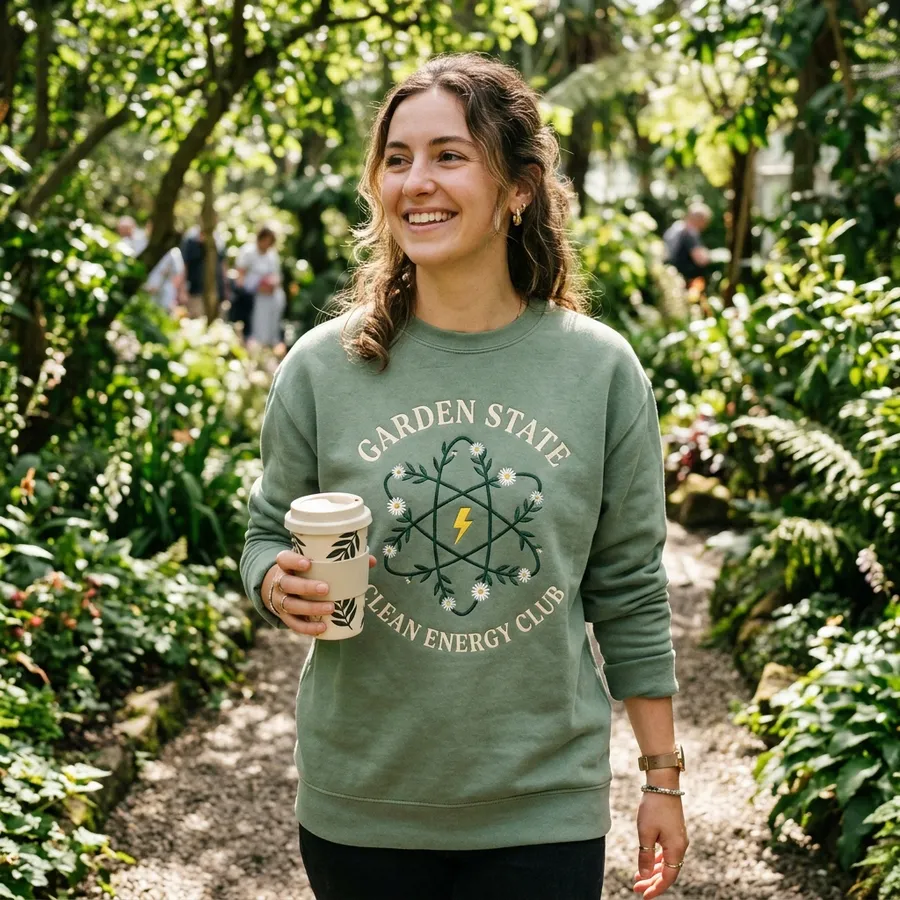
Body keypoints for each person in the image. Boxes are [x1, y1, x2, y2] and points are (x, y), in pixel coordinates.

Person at [240, 53, 688, 900]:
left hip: (541, 808)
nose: (417, 182)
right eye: (398, 158)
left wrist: (661, 779)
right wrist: (277, 583)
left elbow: (628, 585)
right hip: (362, 803)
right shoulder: (320, 369)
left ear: (518, 189)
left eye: (449, 155)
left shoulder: (599, 371)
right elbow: (266, 535)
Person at [235, 226, 286, 348]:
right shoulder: (248, 251)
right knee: (258, 326)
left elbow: (277, 275)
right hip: (254, 296)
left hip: (271, 296)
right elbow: (240, 276)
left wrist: (272, 284)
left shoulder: (272, 255)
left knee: (272, 325)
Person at [180, 225, 226, 319]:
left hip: (216, 291)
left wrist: (225, 290)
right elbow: (184, 265)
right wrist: (182, 289)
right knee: (196, 320)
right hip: (195, 291)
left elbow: (223, 265)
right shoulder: (191, 240)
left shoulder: (219, 240)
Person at [663, 202, 712, 288]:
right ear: (700, 220)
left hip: (669, 275)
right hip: (682, 281)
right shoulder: (690, 232)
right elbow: (700, 260)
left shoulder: (676, 227)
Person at [143, 223, 185, 313]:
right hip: (148, 289)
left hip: (164, 291)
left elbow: (178, 274)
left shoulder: (174, 252)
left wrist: (179, 293)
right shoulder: (149, 246)